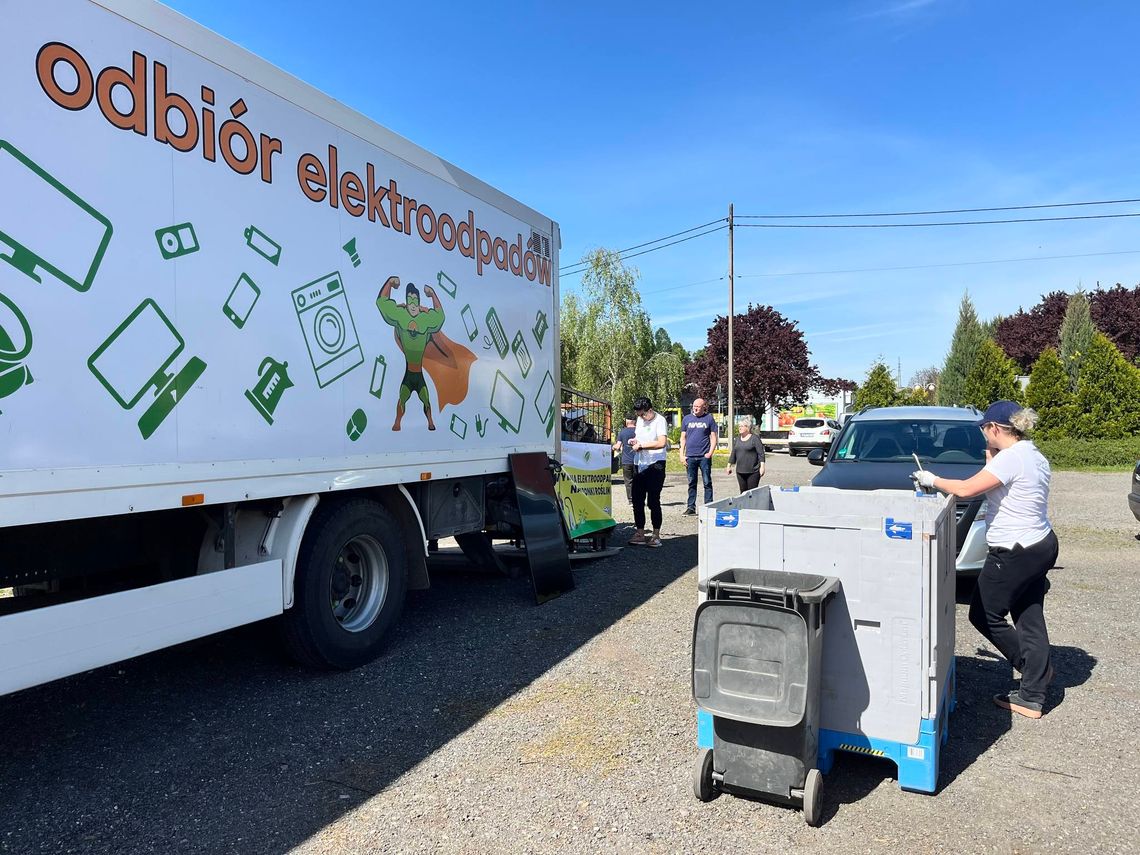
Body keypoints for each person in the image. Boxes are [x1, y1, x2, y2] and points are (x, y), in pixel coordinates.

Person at [912, 401, 1058, 719]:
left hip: (1014, 550)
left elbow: (965, 489)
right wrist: (991, 459)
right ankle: (1033, 693)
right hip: (1041, 543)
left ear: (994, 428)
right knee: (1029, 615)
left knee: (984, 614)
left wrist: (930, 479)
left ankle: (1034, 672)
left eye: (983, 429)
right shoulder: (1032, 454)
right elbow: (997, 480)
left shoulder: (1010, 461)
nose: (982, 434)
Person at [376, 276, 444, 431]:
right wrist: (390, 283)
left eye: (415, 300)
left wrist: (433, 294)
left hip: (418, 374)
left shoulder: (425, 320)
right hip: (409, 373)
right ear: (406, 301)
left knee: (425, 399)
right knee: (402, 397)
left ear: (419, 302)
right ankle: (397, 422)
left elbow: (440, 317)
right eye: (410, 299)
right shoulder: (401, 316)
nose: (413, 304)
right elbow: (382, 303)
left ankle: (430, 421)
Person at [628, 396, 668, 547]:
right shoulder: (639, 420)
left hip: (655, 464)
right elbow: (640, 437)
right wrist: (635, 441)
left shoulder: (660, 420)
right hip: (640, 463)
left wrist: (642, 446)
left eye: (643, 414)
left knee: (653, 501)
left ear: (650, 410)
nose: (641, 418)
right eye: (639, 415)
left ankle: (656, 535)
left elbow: (662, 442)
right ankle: (640, 532)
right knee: (637, 500)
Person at [680, 398, 718, 515]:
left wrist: (710, 453)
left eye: (698, 406)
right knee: (692, 482)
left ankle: (708, 506)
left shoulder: (709, 419)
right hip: (690, 456)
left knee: (707, 482)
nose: (695, 408)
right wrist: (681, 454)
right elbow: (683, 438)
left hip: (704, 456)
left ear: (704, 407)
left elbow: (713, 437)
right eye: (694, 406)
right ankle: (691, 507)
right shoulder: (687, 419)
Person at [725, 417, 766, 493]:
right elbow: (733, 453)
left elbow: (761, 454)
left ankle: (753, 505)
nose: (739, 428)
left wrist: (762, 467)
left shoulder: (755, 439)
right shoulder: (737, 439)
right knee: (743, 493)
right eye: (739, 426)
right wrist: (729, 465)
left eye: (742, 426)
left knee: (752, 493)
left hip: (753, 471)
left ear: (748, 427)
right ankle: (744, 505)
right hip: (740, 471)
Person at [612, 413, 637, 505]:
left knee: (628, 481)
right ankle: (639, 499)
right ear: (635, 421)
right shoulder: (639, 431)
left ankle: (631, 501)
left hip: (626, 461)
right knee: (638, 481)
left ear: (626, 421)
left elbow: (618, 446)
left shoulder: (622, 432)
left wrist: (612, 447)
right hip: (638, 460)